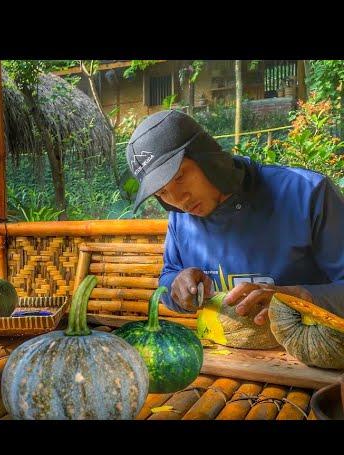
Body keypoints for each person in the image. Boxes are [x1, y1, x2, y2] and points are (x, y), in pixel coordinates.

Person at [126, 109, 344, 323]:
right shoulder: (181, 216)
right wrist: (177, 284)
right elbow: (169, 276)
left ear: (206, 157)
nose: (178, 200)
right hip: (225, 353)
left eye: (180, 177)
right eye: (161, 192)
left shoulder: (307, 193)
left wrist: (298, 299)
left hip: (311, 352)